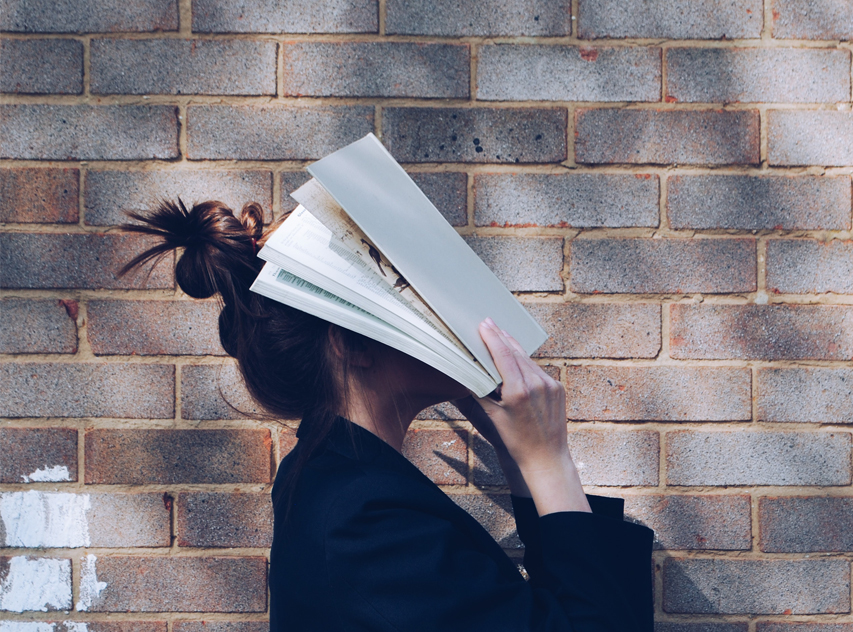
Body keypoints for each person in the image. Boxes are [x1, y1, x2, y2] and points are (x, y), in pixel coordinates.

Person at [120, 198, 654, 631]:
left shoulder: (339, 485)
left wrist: (518, 456)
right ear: (352, 343)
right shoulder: (363, 525)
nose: (445, 311)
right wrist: (549, 460)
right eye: (408, 294)